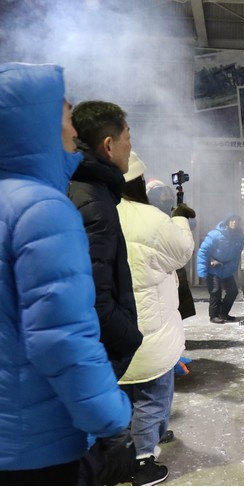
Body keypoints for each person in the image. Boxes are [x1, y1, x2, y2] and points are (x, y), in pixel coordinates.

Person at [0, 62, 131, 485]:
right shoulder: (41, 209)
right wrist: (112, 423)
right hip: (32, 443)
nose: (74, 133)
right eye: (64, 117)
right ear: (31, 125)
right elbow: (61, 338)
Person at [68, 100, 144, 485]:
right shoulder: (94, 202)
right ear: (110, 145)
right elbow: (94, 295)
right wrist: (128, 336)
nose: (132, 147)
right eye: (129, 139)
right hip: (96, 352)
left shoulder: (87, 190)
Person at [117, 153, 195, 485]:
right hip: (152, 328)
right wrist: (178, 218)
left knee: (127, 395)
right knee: (153, 395)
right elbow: (182, 250)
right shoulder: (149, 218)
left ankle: (131, 446)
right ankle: (142, 461)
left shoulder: (99, 212)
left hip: (114, 325)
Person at [147, 179, 196, 320]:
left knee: (177, 307)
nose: (168, 200)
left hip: (175, 269)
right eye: (164, 196)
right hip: (159, 267)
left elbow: (191, 223)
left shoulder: (171, 212)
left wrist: (180, 209)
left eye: (170, 197)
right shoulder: (153, 215)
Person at [197, 214, 244, 323]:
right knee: (215, 291)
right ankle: (213, 316)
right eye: (232, 220)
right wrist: (202, 271)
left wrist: (232, 267)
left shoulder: (239, 237)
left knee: (233, 291)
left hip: (226, 269)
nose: (234, 222)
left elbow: (237, 255)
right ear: (227, 221)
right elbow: (203, 251)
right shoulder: (215, 235)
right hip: (213, 268)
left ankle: (223, 313)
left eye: (236, 220)